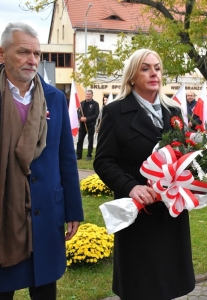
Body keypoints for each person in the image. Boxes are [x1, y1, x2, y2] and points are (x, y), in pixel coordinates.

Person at [94, 49, 195, 300]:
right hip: (139, 211)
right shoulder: (115, 112)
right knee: (142, 286)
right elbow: (104, 161)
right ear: (131, 76)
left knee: (169, 284)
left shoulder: (173, 111)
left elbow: (182, 155)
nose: (154, 73)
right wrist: (131, 187)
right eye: (145, 68)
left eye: (158, 68)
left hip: (170, 210)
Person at [0, 22, 84, 299]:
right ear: (2, 55)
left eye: (37, 53)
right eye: (24, 52)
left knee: (45, 286)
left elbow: (66, 159)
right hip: (5, 212)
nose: (32, 60)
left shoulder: (54, 98)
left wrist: (73, 210)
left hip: (47, 210)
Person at [76, 89, 99, 160]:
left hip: (90, 125)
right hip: (82, 125)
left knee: (90, 140)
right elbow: (78, 112)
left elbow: (96, 115)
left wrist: (87, 119)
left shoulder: (95, 104)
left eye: (89, 94)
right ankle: (78, 155)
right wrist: (80, 118)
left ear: (92, 95)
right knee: (80, 140)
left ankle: (89, 155)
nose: (88, 95)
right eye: (86, 94)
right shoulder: (81, 103)